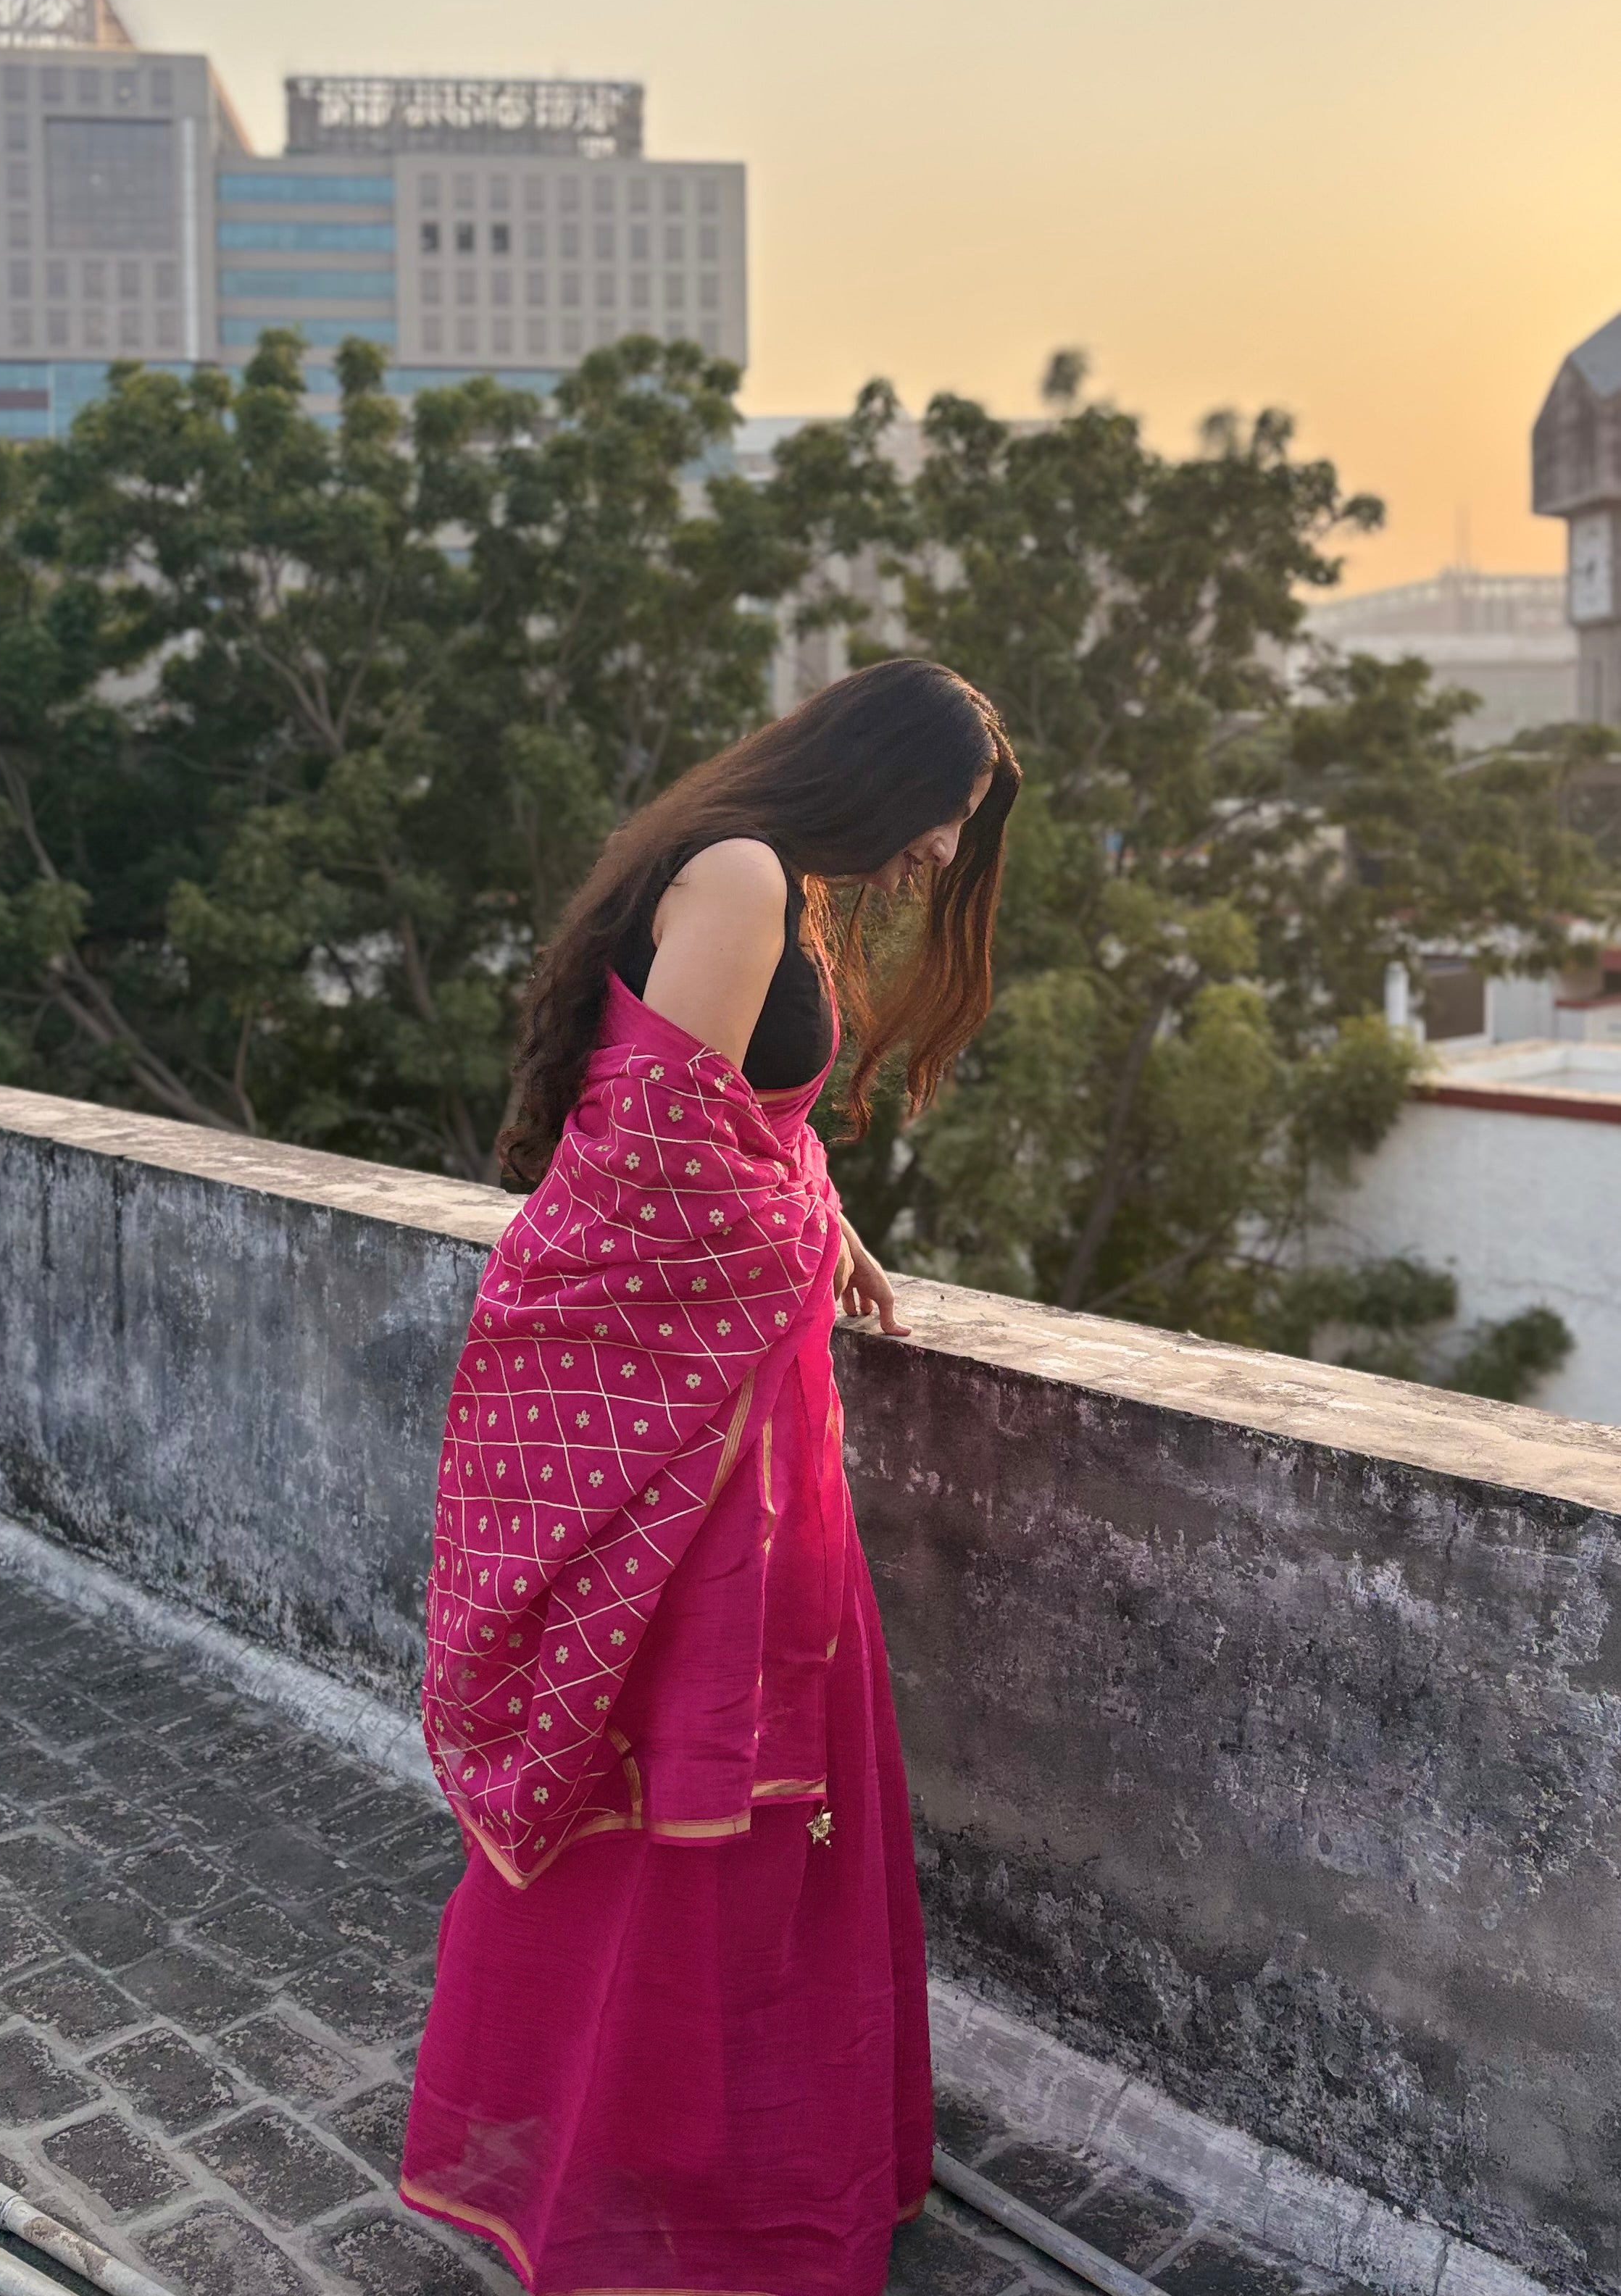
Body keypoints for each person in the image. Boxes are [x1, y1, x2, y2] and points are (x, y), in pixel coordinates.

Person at [401, 656, 1020, 2296]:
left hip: (740, 1416)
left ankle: (712, 2143)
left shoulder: (774, 879)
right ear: (886, 780)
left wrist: (845, 1235)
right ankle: (652, 2173)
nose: (944, 860)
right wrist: (807, 1235)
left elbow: (740, 1129)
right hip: (676, 1429)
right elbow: (648, 1164)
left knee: (732, 1799)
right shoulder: (743, 874)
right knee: (673, 1788)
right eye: (949, 821)